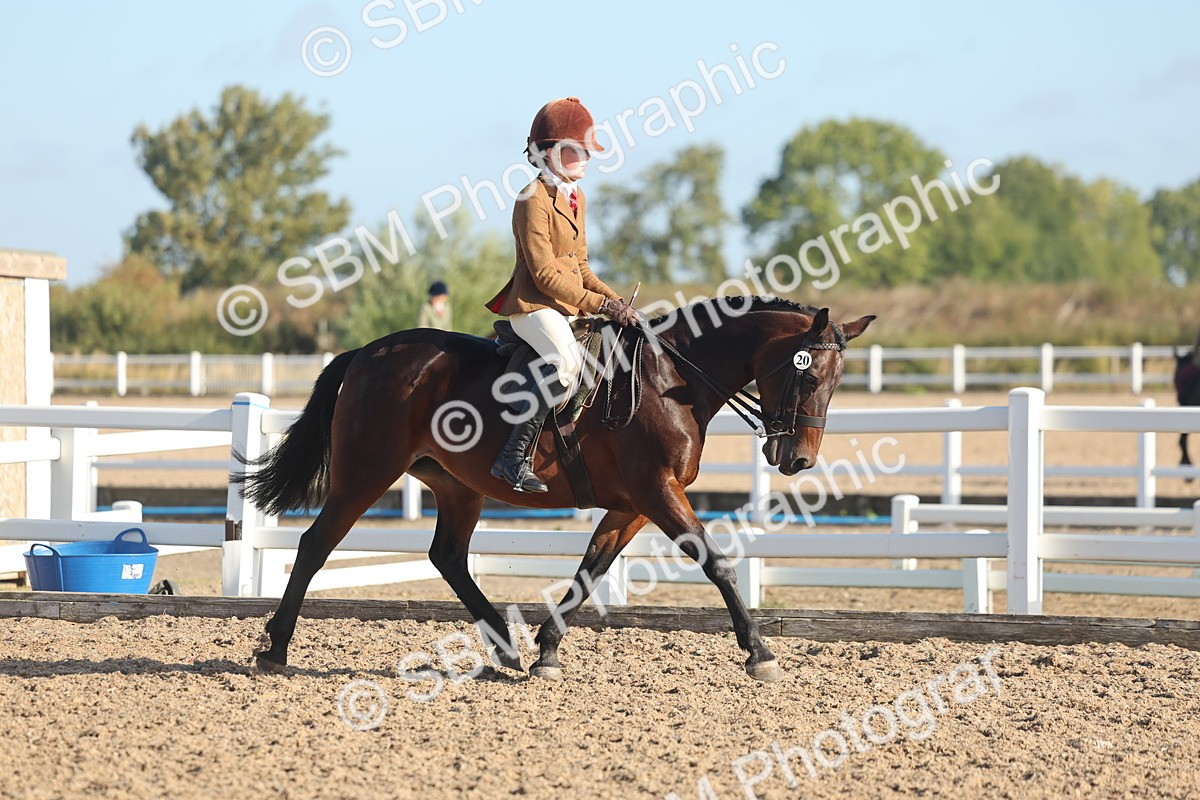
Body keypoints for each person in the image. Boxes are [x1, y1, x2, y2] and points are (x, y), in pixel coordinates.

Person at [484, 96, 639, 493]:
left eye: (588, 151)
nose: (585, 158)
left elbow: (581, 266)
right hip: (534, 305)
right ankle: (511, 457)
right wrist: (600, 305)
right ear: (547, 153)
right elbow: (546, 274)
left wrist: (615, 301)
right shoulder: (530, 198)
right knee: (565, 364)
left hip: (564, 304)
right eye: (576, 150)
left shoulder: (576, 197)